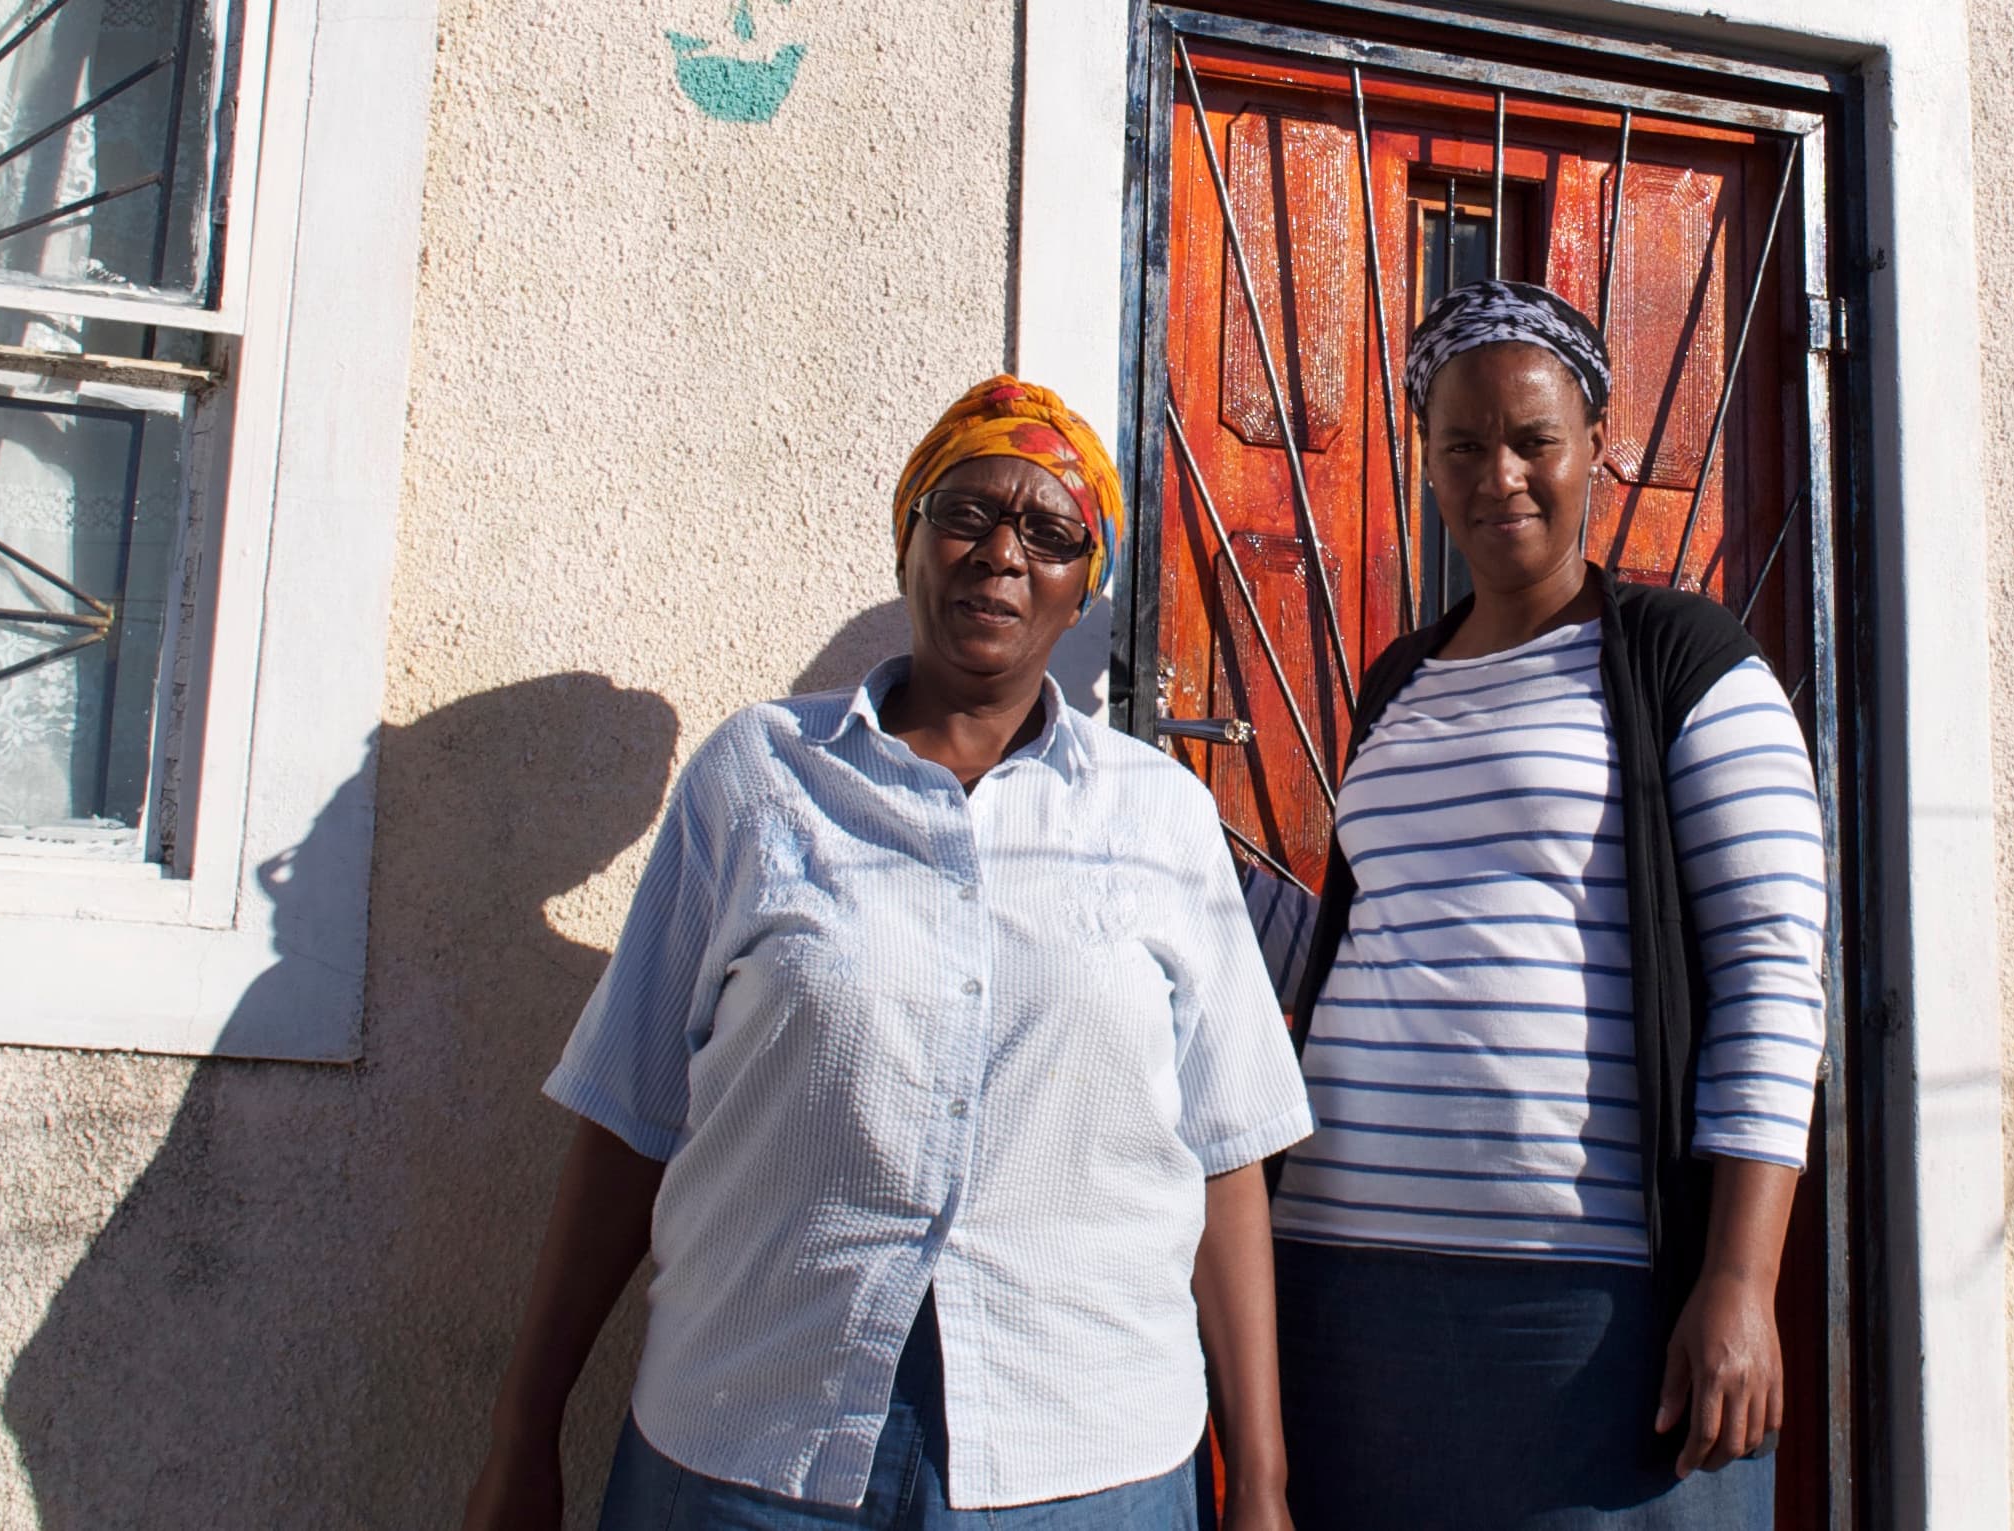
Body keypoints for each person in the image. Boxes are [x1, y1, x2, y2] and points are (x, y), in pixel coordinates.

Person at [462, 377, 1315, 1531]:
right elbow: (631, 1113)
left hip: (1087, 1460)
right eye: (966, 512)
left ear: (1084, 589)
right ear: (908, 534)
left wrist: (1259, 1485)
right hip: (751, 1445)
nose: (1002, 553)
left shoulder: (1158, 818)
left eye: (1052, 532)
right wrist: (527, 1428)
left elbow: (1225, 1154)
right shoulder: (759, 781)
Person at [1268, 281, 1828, 1529]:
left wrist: (1740, 1277)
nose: (1499, 475)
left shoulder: (1683, 657)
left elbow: (1771, 971)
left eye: (1534, 440)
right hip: (1344, 1287)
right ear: (1426, 459)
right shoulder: (1400, 680)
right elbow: (1381, 940)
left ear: (1594, 449)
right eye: (1463, 444)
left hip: (1584, 1305)